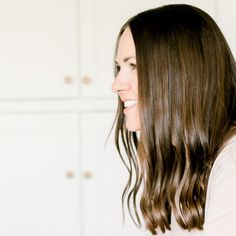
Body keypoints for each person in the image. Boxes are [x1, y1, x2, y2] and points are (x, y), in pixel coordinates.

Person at [111, 4, 236, 236]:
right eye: (119, 68)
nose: (116, 84)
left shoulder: (232, 162)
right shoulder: (171, 155)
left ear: (180, 74)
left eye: (134, 66)